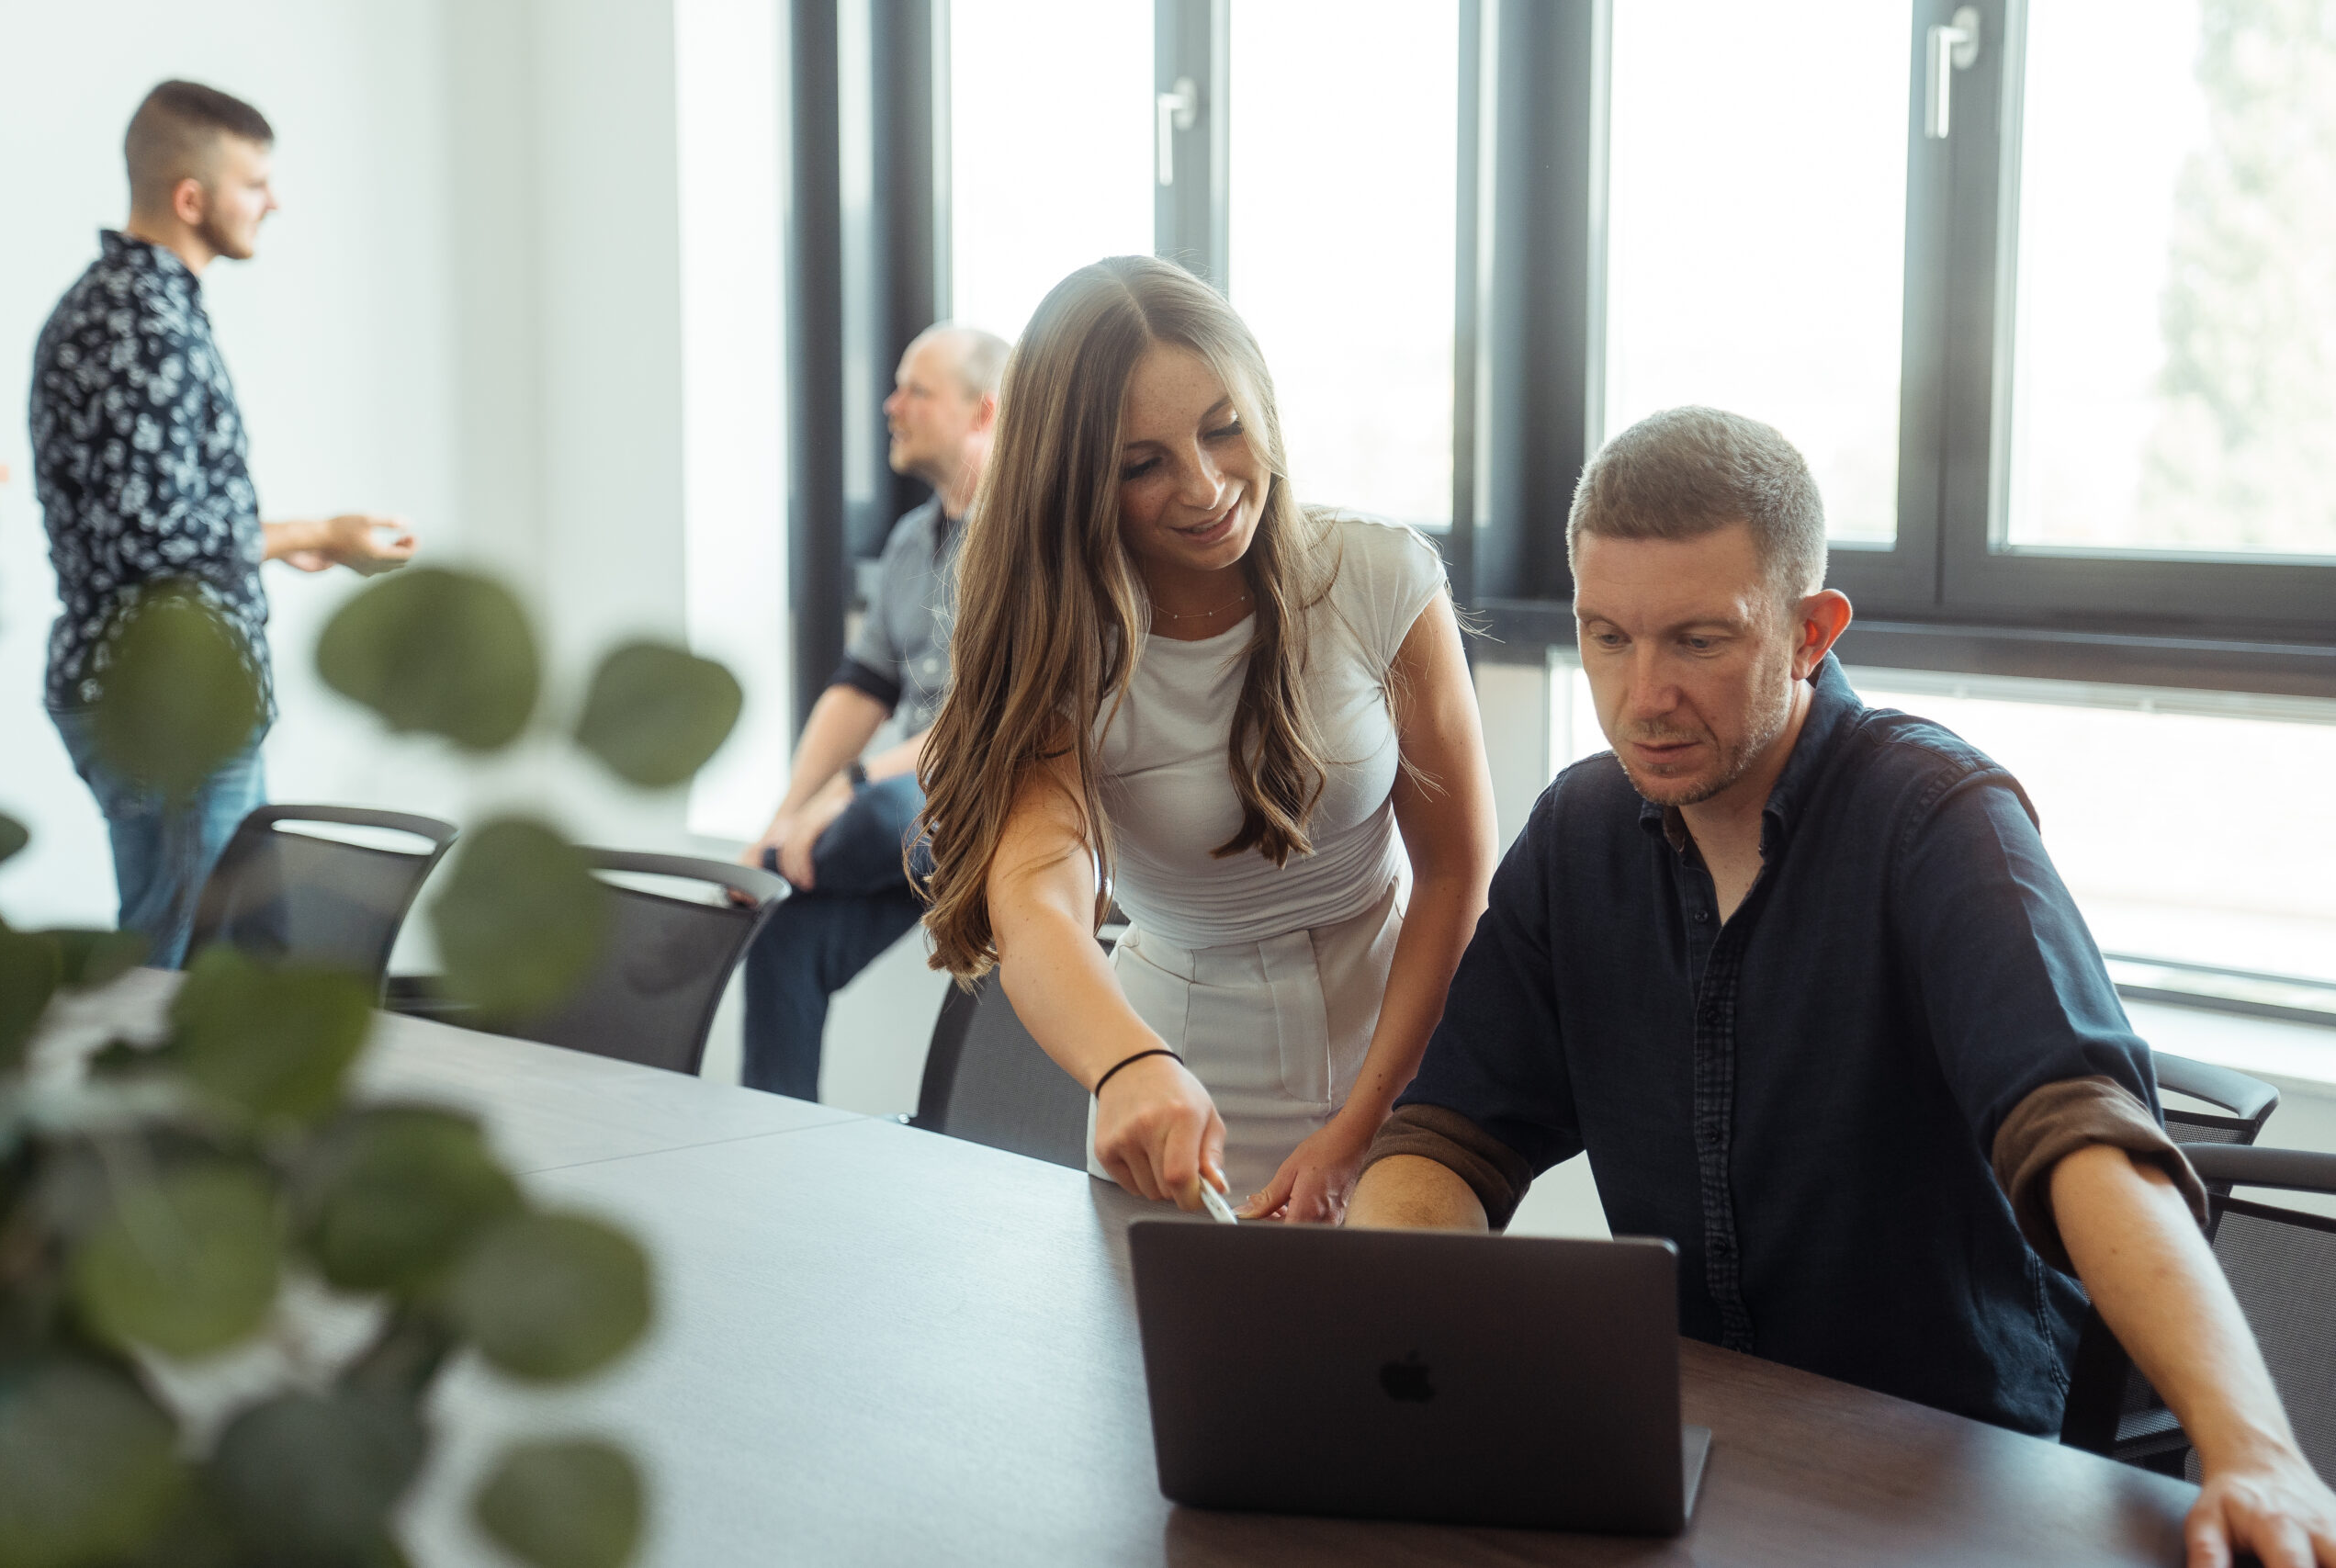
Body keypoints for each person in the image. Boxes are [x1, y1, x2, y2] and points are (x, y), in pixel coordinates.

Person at [1346, 407, 2336, 1566]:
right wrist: (1394, 1354)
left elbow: (2085, 1139)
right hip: (1695, 1455)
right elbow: (1450, 1136)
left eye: (1699, 642)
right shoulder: (1577, 833)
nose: (1643, 696)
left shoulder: (1936, 822)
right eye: (1607, 637)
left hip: (1953, 1467)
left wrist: (2253, 1446)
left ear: (1811, 630)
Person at [915, 256, 1497, 1220]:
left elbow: (1454, 876)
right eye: (1142, 464)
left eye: (1224, 429)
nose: (1205, 485)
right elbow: (1038, 901)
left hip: (1404, 1057)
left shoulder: (1377, 574)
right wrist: (1129, 1066)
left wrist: (1360, 1127)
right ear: (1072, 480)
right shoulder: (1064, 641)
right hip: (1181, 1081)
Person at [31, 80, 415, 968]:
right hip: (171, 699)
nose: (274, 200)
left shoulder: (119, 306)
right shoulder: (141, 322)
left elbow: (151, 515)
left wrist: (286, 542)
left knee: (203, 965)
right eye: (255, 182)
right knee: (187, 977)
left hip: (161, 690)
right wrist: (317, 532)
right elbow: (156, 536)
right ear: (190, 198)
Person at [737, 323, 1009, 1098]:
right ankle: (771, 1144)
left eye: (915, 390)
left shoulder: (1025, 542)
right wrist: (783, 817)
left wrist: (845, 790)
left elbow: (978, 729)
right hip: (918, 814)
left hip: (986, 793)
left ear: (982, 411)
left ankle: (811, 844)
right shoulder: (908, 544)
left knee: (871, 817)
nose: (891, 406)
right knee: (780, 928)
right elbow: (860, 691)